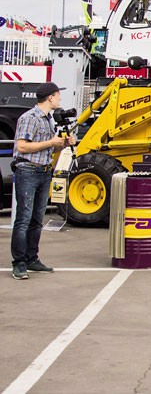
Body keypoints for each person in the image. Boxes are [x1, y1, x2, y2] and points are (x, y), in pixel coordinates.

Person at [11, 82, 75, 280]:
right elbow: (22, 147)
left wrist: (62, 144)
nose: (59, 100)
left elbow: (47, 149)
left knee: (37, 219)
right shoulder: (30, 118)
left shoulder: (47, 120)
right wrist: (51, 142)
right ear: (50, 98)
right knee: (24, 218)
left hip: (43, 171)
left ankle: (32, 258)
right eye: (57, 96)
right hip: (28, 171)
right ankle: (19, 262)